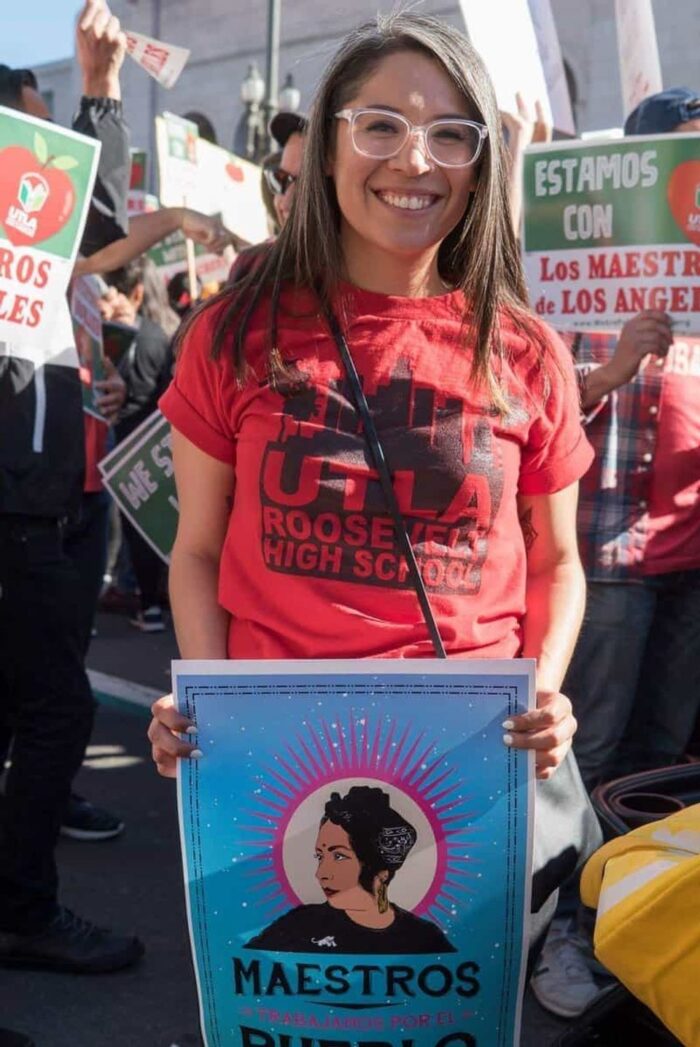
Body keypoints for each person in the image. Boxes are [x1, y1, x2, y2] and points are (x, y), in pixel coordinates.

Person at [148, 11, 593, 979]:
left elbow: (557, 559)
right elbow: (194, 550)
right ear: (328, 144)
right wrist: (201, 696)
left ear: (479, 161)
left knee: (444, 997)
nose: (414, 158)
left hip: (469, 753)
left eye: (449, 132)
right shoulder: (232, 334)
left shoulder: (526, 351)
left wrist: (548, 690)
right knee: (291, 1000)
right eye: (380, 123)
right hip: (274, 756)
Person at [530, 87, 700, 1020]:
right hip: (609, 561)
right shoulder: (572, 284)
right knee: (585, 758)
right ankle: (558, 933)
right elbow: (531, 426)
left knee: (662, 757)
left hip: (690, 567)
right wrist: (609, 367)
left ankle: (635, 927)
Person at [0, 0, 143, 992]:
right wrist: (98, 97)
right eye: (35, 131)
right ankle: (22, 912)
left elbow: (95, 229)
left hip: (50, 497)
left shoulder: (45, 278)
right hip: (21, 517)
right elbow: (96, 219)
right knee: (54, 712)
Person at [246, 786, 455, 954]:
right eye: (320, 856)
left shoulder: (424, 938)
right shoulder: (299, 925)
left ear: (381, 871)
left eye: (339, 856)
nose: (321, 874)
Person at [104, 258, 179, 631]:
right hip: (152, 443)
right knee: (157, 528)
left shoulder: (108, 334)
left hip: (122, 442)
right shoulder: (158, 336)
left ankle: (138, 597)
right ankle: (151, 605)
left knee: (130, 529)